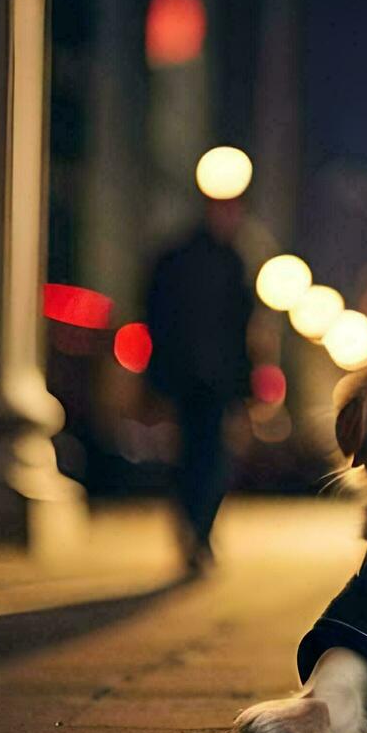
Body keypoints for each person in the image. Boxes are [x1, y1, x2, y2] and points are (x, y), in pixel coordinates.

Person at [146, 197, 254, 569]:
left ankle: (196, 530)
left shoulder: (186, 258)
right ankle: (198, 530)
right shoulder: (226, 261)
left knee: (198, 456)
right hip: (205, 380)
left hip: (199, 379)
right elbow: (242, 331)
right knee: (206, 457)